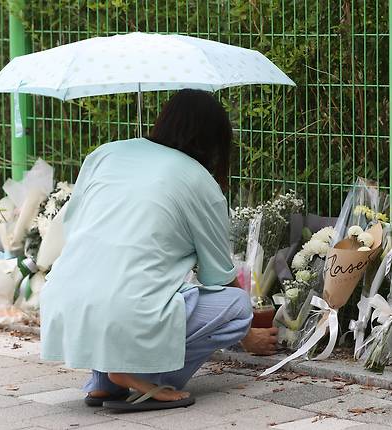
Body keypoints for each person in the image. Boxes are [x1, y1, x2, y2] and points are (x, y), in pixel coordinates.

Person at [40, 89, 278, 412]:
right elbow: (218, 276)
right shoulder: (199, 180)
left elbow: (74, 225)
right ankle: (145, 379)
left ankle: (104, 381)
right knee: (236, 307)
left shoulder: (105, 154)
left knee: (119, 288)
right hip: (126, 310)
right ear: (213, 141)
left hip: (63, 297)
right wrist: (248, 332)